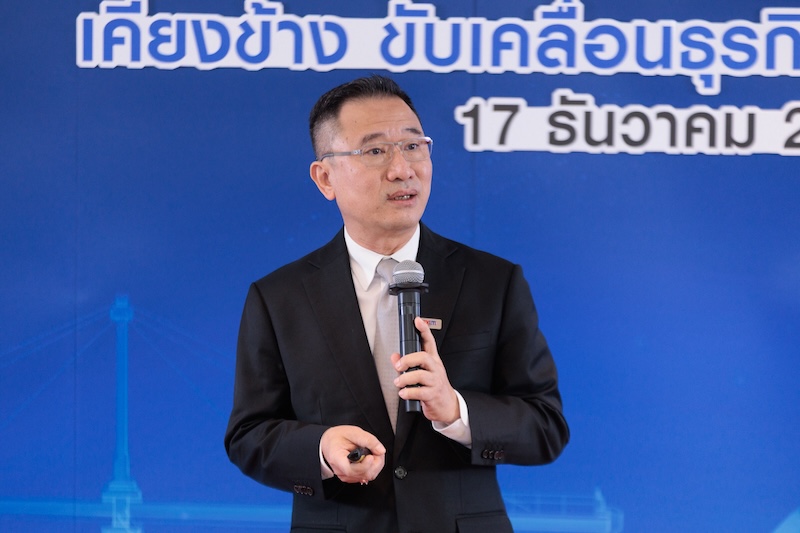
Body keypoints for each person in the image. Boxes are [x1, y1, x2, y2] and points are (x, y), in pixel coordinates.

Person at [225, 75, 569, 533]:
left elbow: (546, 426)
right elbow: (249, 435)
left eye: (413, 146)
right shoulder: (279, 297)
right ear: (325, 177)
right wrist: (320, 448)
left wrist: (456, 410)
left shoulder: (493, 281)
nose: (402, 169)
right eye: (375, 151)